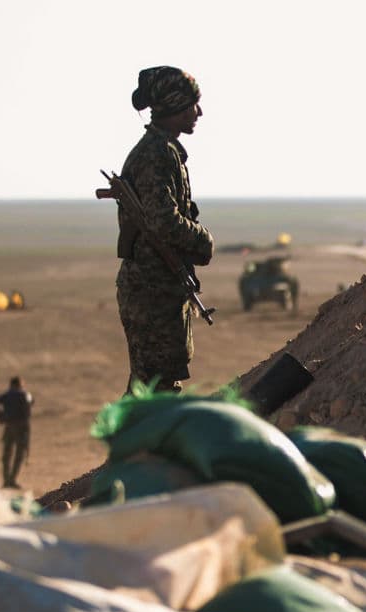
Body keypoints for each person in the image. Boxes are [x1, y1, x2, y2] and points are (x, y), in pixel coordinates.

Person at [116, 66, 215, 393]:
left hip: (159, 287)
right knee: (156, 389)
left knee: (152, 386)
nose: (198, 112)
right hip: (152, 291)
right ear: (173, 106)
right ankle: (138, 444)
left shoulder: (163, 150)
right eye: (191, 105)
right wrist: (203, 240)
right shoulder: (157, 154)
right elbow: (163, 219)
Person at [0, 376, 34, 488]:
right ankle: (12, 480)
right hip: (21, 427)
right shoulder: (24, 394)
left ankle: (6, 480)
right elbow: (30, 404)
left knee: (7, 454)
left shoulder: (7, 395)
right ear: (20, 384)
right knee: (19, 454)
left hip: (9, 426)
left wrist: (1, 417)